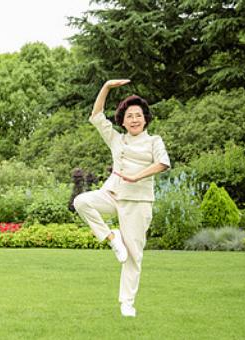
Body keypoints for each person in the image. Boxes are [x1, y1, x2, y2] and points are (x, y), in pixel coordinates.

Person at [73, 79, 170, 317]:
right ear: (123, 121)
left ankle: (127, 303)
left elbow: (163, 163)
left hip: (138, 202)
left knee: (133, 256)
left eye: (138, 115)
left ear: (145, 118)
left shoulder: (153, 141)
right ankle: (110, 236)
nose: (134, 119)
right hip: (113, 194)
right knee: (81, 201)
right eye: (129, 116)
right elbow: (96, 116)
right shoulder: (117, 139)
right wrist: (106, 86)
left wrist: (137, 176)